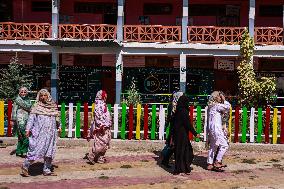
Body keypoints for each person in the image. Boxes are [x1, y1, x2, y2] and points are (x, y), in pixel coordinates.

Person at [21, 89, 61, 177]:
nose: (43, 97)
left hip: (51, 133)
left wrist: (59, 127)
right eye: (41, 95)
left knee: (49, 151)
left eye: (45, 95)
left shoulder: (53, 106)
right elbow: (31, 119)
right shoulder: (36, 107)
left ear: (48, 96)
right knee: (35, 149)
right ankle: (25, 166)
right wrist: (28, 130)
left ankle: (47, 169)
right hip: (39, 133)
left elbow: (57, 118)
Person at [173, 95, 200, 175]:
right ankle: (183, 168)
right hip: (182, 134)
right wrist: (195, 133)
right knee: (187, 151)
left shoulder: (178, 110)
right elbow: (188, 124)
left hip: (178, 134)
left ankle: (181, 168)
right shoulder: (183, 111)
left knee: (179, 151)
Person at [207, 91, 231, 171]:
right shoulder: (217, 106)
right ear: (215, 97)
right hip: (216, 128)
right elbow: (228, 107)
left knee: (213, 146)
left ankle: (210, 163)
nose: (220, 98)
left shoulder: (210, 106)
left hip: (212, 129)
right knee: (224, 145)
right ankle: (217, 162)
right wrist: (224, 99)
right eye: (219, 96)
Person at [86, 90, 112, 164]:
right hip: (101, 127)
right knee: (100, 142)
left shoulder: (102, 104)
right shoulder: (99, 105)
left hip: (105, 126)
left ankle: (100, 157)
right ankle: (92, 155)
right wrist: (101, 125)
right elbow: (98, 116)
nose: (106, 97)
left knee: (105, 142)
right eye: (105, 95)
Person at [161, 91, 183, 168]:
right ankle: (165, 159)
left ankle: (165, 158)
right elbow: (170, 117)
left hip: (176, 127)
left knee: (172, 145)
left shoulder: (177, 105)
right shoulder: (172, 105)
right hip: (174, 128)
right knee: (172, 145)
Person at [11, 87, 32, 157]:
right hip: (20, 120)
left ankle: (19, 151)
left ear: (27, 92)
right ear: (19, 92)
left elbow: (30, 108)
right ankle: (24, 151)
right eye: (22, 92)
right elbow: (14, 111)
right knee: (24, 135)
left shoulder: (28, 100)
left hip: (27, 119)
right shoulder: (17, 100)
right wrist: (13, 120)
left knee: (22, 136)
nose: (23, 93)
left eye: (25, 92)